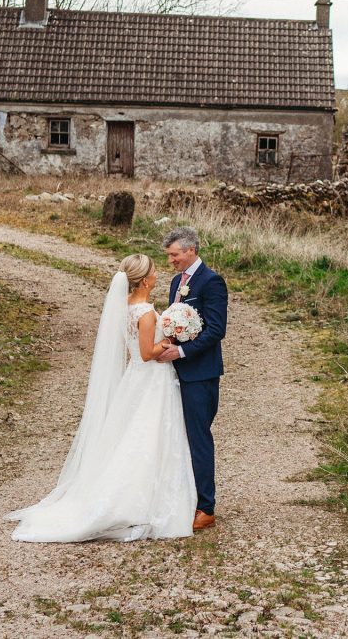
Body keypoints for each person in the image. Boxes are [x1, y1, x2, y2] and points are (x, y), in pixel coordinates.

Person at [5, 254, 196, 542]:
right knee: (147, 435)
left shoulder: (127, 306)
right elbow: (146, 353)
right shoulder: (144, 312)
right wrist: (168, 341)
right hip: (151, 380)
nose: (158, 274)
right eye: (154, 271)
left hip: (136, 379)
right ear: (145, 280)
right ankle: (138, 501)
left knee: (135, 435)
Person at [156, 227, 228, 530]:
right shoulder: (177, 282)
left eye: (175, 254)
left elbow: (215, 330)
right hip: (174, 373)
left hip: (200, 373)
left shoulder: (211, 282)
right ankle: (185, 498)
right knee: (178, 437)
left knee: (198, 438)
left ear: (191, 250)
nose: (171, 260)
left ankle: (206, 507)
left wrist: (182, 353)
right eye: (169, 255)